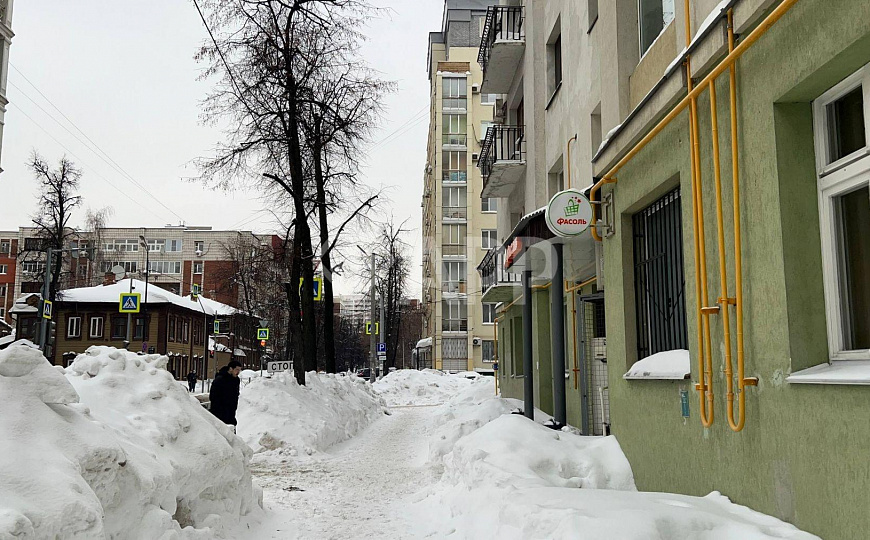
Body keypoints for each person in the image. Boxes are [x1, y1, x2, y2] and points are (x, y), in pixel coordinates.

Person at [209, 360, 242, 428]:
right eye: (237, 370)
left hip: (231, 413)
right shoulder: (220, 379)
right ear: (231, 369)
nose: (238, 372)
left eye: (239, 370)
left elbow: (235, 395)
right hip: (219, 413)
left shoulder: (236, 380)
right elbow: (213, 396)